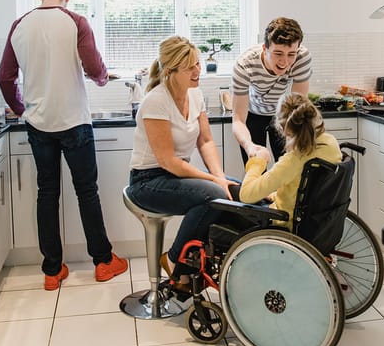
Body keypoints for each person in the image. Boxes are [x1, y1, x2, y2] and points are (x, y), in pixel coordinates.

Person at [0, 0, 128, 291]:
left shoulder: (20, 25)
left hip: (38, 124)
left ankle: (52, 271)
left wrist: (20, 109)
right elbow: (95, 69)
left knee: (47, 193)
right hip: (74, 121)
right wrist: (101, 78)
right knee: (87, 192)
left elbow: (4, 77)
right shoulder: (76, 22)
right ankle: (102, 262)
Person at [126, 35, 237, 290]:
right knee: (215, 194)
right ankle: (175, 261)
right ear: (171, 71)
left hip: (175, 176)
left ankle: (196, 263)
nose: (198, 70)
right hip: (147, 181)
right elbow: (168, 161)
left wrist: (219, 175)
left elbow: (206, 141)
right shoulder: (156, 101)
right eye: (190, 67)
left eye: (197, 63)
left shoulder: (195, 95)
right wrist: (214, 181)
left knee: (234, 190)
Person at [238, 92, 342, 230]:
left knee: (228, 195)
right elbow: (304, 188)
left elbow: (246, 195)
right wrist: (276, 195)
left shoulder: (292, 161)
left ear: (282, 128)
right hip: (317, 219)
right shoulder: (330, 143)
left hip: (285, 222)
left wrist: (258, 162)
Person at [232, 17, 312, 165]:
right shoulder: (244, 65)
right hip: (253, 114)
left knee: (288, 168)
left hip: (282, 114)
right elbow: (238, 120)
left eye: (291, 54)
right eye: (278, 53)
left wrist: (297, 139)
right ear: (265, 48)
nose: (285, 62)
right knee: (256, 169)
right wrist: (249, 146)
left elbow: (297, 107)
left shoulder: (302, 58)